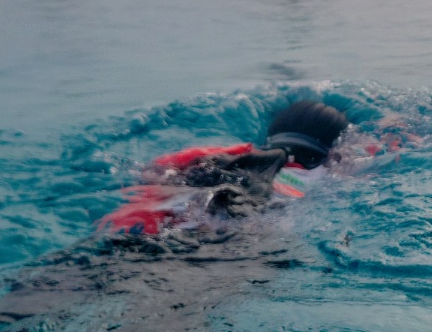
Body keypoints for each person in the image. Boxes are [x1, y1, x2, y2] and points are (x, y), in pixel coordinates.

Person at [101, 99, 349, 236]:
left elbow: (153, 170)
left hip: (175, 221)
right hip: (237, 243)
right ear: (333, 149)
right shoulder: (330, 174)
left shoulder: (235, 157)